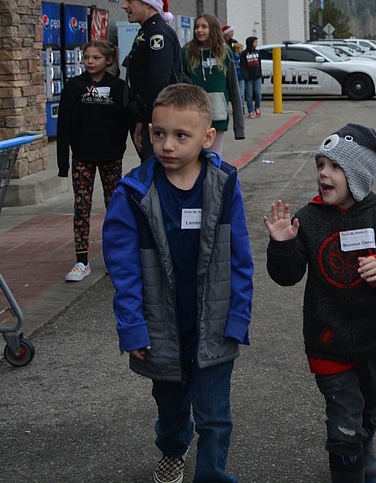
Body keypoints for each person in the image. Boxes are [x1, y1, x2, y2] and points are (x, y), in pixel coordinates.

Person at [102, 83, 254, 483]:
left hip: (215, 323)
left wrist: (239, 316)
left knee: (215, 416)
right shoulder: (133, 194)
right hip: (160, 328)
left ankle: (211, 475)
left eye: (180, 136)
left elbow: (240, 256)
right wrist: (132, 327)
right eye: (159, 133)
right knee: (170, 410)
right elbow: (123, 270)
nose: (167, 145)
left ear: (207, 138)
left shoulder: (223, 184)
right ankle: (172, 448)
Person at [265, 124, 376, 483]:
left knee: (371, 410)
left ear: (358, 174)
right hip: (327, 341)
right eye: (321, 165)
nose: (323, 174)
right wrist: (283, 245)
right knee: (344, 425)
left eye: (334, 167)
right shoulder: (310, 217)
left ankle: (363, 442)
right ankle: (351, 459)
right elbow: (286, 277)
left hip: (375, 340)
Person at [55, 40, 129, 282]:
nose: (90, 62)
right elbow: (63, 124)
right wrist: (63, 164)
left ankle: (114, 258)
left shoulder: (118, 87)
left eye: (95, 58)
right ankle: (82, 261)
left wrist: (123, 147)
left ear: (108, 60)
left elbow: (128, 120)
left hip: (110, 156)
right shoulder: (74, 86)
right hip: (82, 157)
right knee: (82, 206)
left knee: (115, 207)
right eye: (86, 57)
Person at [121, 0, 184, 161]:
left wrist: (146, 120)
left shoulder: (157, 35)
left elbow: (158, 83)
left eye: (129, 0)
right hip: (152, 119)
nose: (124, 6)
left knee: (157, 175)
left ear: (148, 4)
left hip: (159, 121)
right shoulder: (147, 31)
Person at [183, 13, 245, 156]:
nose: (199, 30)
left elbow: (234, 91)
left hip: (217, 115)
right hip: (192, 116)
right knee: (193, 160)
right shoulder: (186, 52)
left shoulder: (225, 52)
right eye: (197, 27)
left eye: (204, 27)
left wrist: (239, 128)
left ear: (214, 29)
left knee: (213, 160)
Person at [240, 36, 263, 118]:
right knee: (249, 95)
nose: (256, 43)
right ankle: (250, 110)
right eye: (255, 42)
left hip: (257, 76)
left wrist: (260, 74)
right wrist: (246, 76)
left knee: (258, 93)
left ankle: (257, 107)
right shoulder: (244, 54)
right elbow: (242, 66)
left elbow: (259, 64)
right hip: (248, 77)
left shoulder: (258, 52)